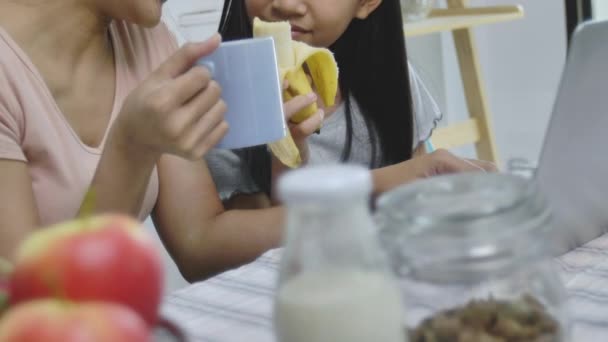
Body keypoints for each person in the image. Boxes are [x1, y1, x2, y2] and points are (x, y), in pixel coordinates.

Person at [205, 0, 496, 205]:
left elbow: (415, 185)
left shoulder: (392, 77)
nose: (287, 4)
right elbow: (265, 249)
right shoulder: (220, 106)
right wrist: (288, 152)